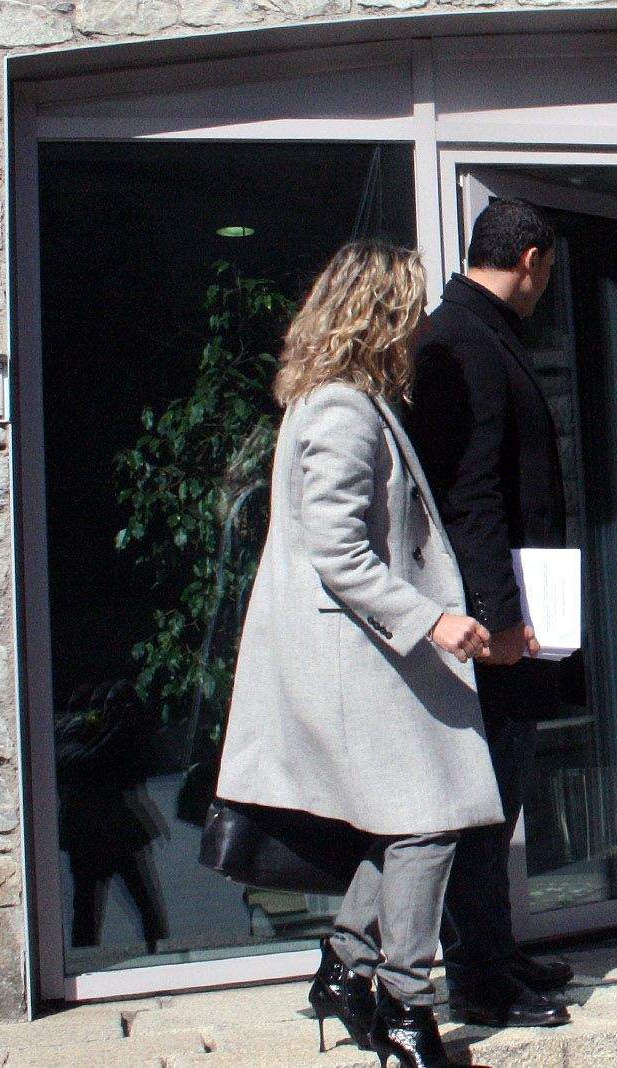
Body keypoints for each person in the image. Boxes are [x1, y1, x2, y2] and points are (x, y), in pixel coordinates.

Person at [215, 240, 499, 1068]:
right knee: (428, 819)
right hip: (361, 655)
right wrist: (433, 621)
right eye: (406, 308)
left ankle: (347, 967)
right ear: (380, 314)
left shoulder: (333, 400)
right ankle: (404, 1004)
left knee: (410, 819)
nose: (417, 325)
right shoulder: (342, 409)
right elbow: (336, 550)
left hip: (361, 653)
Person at [406, 197, 574, 1030]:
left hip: (503, 608)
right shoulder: (463, 340)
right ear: (533, 259)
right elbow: (468, 493)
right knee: (483, 798)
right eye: (549, 271)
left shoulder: (477, 335)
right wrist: (499, 618)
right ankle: (476, 978)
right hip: (486, 623)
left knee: (500, 792)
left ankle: (494, 953)